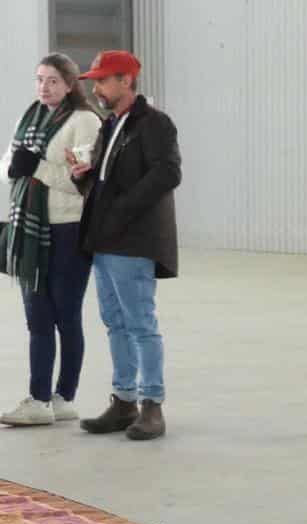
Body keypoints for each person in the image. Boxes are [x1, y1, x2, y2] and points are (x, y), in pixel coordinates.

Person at [70, 50, 181, 441]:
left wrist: (120, 208)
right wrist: (84, 176)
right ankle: (123, 401)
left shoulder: (154, 124)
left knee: (139, 324)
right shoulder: (111, 125)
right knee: (115, 323)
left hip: (133, 241)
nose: (96, 88)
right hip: (104, 240)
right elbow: (106, 180)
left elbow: (168, 172)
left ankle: (152, 405)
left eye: (102, 80)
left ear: (126, 81)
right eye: (95, 81)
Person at [0, 54, 101, 426]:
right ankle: (39, 398)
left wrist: (37, 167)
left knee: (65, 316)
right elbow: (13, 163)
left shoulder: (86, 121)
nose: (44, 87)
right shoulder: (29, 117)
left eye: (53, 81)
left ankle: (64, 397)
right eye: (40, 79)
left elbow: (83, 185)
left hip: (68, 229)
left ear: (71, 84)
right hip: (30, 229)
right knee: (37, 317)